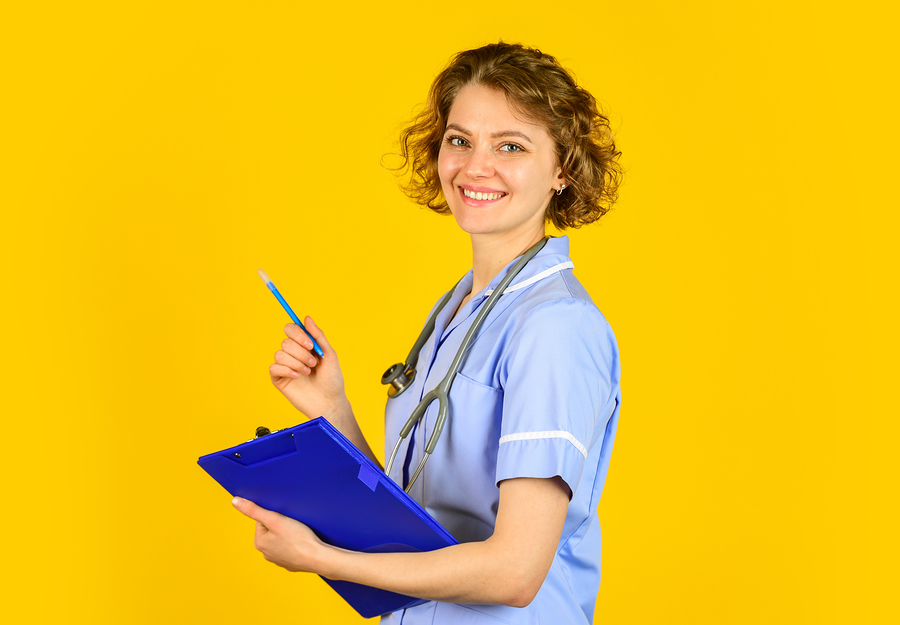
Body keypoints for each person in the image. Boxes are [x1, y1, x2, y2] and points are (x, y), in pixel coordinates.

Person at [232, 42, 623, 624]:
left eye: (510, 146)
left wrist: (324, 558)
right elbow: (411, 522)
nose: (474, 166)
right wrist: (332, 408)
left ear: (563, 169)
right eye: (459, 140)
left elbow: (514, 573)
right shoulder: (457, 309)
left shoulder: (553, 327)